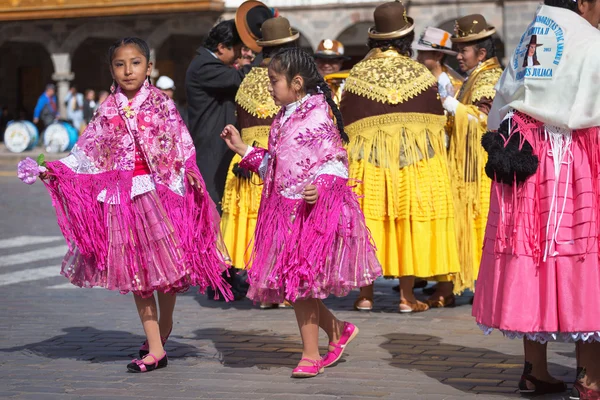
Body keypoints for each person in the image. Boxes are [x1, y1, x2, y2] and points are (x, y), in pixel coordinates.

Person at [25, 37, 232, 373]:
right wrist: (53, 169)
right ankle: (155, 348)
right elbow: (86, 153)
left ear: (148, 67)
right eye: (120, 64)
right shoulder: (106, 110)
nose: (127, 70)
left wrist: (190, 172)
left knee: (166, 272)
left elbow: (181, 143)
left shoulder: (162, 105)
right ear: (111, 69)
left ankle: (165, 323)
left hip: (160, 195)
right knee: (138, 275)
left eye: (135, 63)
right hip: (122, 201)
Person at [220, 47, 382, 377]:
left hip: (311, 214)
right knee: (293, 284)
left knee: (302, 285)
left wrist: (319, 188)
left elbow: (336, 164)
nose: (269, 87)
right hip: (283, 212)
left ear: (296, 82)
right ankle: (337, 330)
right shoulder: (282, 118)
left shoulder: (317, 116)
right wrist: (243, 150)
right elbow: (276, 168)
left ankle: (311, 354)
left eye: (274, 80)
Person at [473, 0, 600, 397]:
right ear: (583, 2)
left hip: (524, 162)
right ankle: (590, 376)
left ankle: (535, 368)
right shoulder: (589, 40)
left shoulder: (532, 36)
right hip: (570, 162)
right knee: (580, 255)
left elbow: (502, 103)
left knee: (532, 258)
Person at [341, 1, 460, 313]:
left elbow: (345, 123)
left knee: (367, 222)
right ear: (406, 40)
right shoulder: (421, 73)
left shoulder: (357, 74)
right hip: (411, 164)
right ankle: (407, 297)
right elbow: (438, 124)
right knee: (405, 221)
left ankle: (365, 295)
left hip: (369, 164)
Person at [220, 16, 298, 309]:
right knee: (283, 225)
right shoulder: (293, 77)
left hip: (246, 158)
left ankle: (264, 291)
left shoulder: (247, 78)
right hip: (280, 159)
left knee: (258, 227)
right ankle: (286, 289)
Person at [437, 14, 503, 302]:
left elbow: (486, 119)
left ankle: (488, 287)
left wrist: (455, 107)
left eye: (463, 49)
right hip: (469, 165)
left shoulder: (489, 77)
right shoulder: (474, 77)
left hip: (481, 169)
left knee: (482, 225)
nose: (458, 55)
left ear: (482, 53)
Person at [186, 12, 267, 213]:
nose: (240, 56)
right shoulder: (203, 66)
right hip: (211, 148)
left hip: (220, 145)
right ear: (222, 47)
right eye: (238, 50)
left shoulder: (208, 63)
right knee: (212, 207)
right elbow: (241, 78)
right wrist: (265, 51)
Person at [415, 27, 462, 100]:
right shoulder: (426, 80)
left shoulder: (447, 85)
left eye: (422, 53)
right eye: (418, 53)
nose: (418, 58)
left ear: (438, 55)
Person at [314, 39, 350, 106]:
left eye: (332, 60)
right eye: (322, 60)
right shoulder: (307, 87)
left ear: (340, 63)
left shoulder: (349, 87)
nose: (326, 65)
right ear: (315, 62)